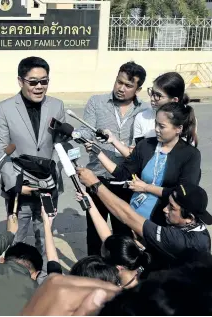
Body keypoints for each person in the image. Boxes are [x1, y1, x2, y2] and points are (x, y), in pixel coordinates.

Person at [0, 56, 65, 281]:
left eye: (44, 81)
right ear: (20, 81)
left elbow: (61, 144)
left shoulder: (57, 105)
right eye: (33, 82)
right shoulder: (4, 108)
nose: (39, 87)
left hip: (48, 186)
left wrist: (52, 176)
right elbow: (1, 151)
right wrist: (16, 185)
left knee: (45, 235)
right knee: (17, 238)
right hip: (20, 188)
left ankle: (44, 281)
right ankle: (16, 280)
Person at [77, 61, 150, 256]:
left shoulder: (145, 111)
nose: (121, 88)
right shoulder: (97, 102)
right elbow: (85, 129)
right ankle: (94, 272)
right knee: (94, 232)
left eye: (128, 85)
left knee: (124, 233)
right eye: (119, 82)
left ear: (138, 88)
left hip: (128, 181)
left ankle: (124, 275)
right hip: (98, 177)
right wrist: (78, 136)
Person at [77, 167, 211, 269]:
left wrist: (95, 184)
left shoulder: (180, 241)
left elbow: (127, 215)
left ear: (190, 217)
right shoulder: (195, 228)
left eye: (172, 207)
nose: (165, 209)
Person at [90, 102, 200, 225]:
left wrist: (146, 188)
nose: (156, 129)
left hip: (163, 221)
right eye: (156, 124)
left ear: (178, 129)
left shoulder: (190, 155)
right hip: (134, 216)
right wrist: (97, 152)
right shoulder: (145, 145)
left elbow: (182, 193)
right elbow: (122, 173)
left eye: (162, 126)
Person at [104, 72, 194, 157]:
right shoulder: (142, 117)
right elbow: (136, 156)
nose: (152, 98)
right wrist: (115, 142)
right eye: (152, 92)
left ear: (174, 100)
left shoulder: (187, 118)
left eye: (158, 95)